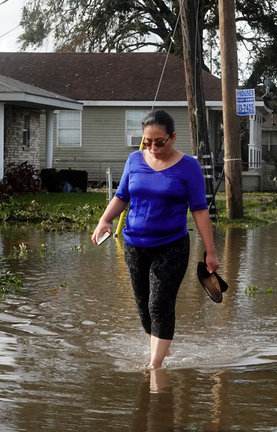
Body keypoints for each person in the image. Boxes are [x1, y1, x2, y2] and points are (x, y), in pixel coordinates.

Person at [92, 109, 220, 369]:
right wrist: (104, 220)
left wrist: (210, 251)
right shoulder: (134, 160)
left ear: (173, 137)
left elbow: (199, 210)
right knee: (143, 306)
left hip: (171, 245)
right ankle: (161, 352)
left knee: (159, 302)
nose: (153, 147)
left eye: (159, 142)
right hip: (134, 245)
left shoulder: (189, 167)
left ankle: (155, 366)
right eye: (147, 142)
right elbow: (121, 196)